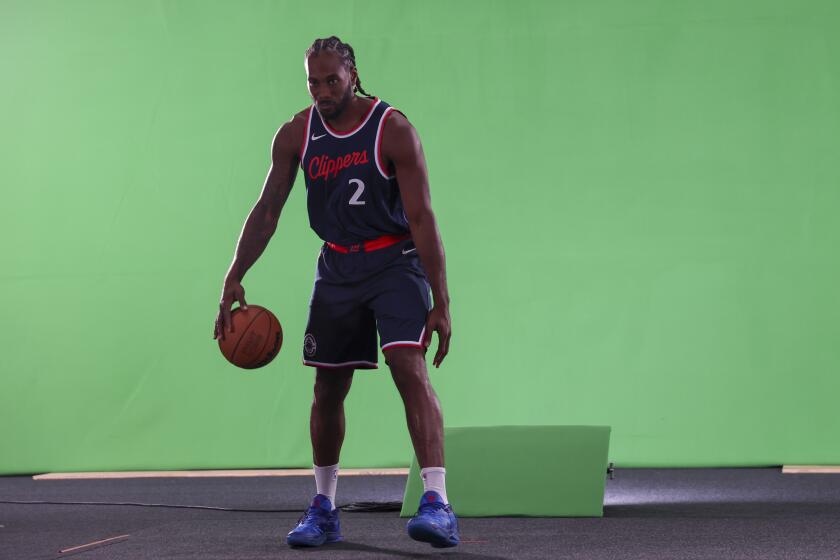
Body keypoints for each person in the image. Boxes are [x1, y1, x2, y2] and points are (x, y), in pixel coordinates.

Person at [213, 36, 459, 549]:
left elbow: (422, 217)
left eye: (332, 80)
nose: (323, 90)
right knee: (327, 387)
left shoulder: (392, 129)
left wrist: (441, 300)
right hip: (338, 266)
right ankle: (323, 507)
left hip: (396, 261)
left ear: (352, 74)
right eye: (313, 82)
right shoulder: (295, 135)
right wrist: (234, 274)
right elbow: (266, 211)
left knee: (408, 367)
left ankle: (437, 502)